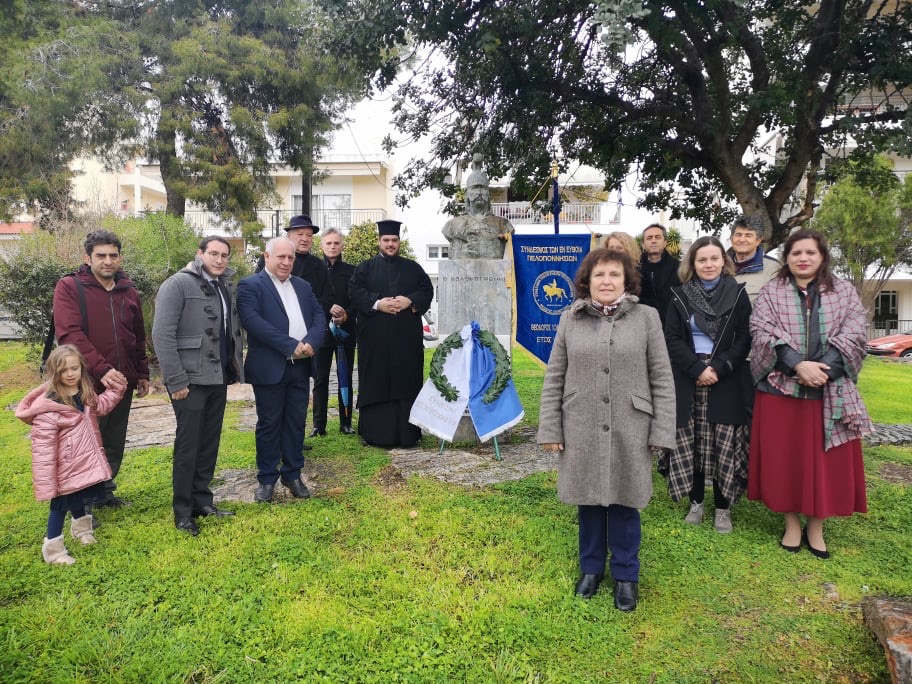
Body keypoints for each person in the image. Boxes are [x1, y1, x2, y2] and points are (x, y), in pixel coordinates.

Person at [538, 249, 675, 610]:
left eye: (614, 274)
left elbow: (661, 376)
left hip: (631, 424)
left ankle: (626, 575)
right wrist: (551, 428)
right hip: (580, 422)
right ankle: (591, 568)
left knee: (625, 501)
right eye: (599, 275)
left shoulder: (647, 318)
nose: (607, 281)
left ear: (627, 281)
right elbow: (555, 376)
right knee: (589, 501)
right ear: (588, 281)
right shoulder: (571, 318)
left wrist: (662, 431)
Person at [748, 229, 872, 558]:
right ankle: (791, 523)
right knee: (784, 459)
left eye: (810, 253)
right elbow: (760, 330)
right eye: (796, 253)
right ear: (786, 258)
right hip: (781, 388)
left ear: (822, 257)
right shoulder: (772, 292)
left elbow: (856, 330)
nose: (803, 258)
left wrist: (823, 368)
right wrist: (795, 364)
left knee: (825, 462)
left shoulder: (843, 291)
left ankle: (816, 528)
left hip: (829, 389)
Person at [152, 236, 244, 536]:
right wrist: (176, 379)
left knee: (209, 442)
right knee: (189, 445)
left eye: (224, 255)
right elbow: (162, 335)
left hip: (217, 376)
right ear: (199, 254)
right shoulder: (176, 285)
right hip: (189, 379)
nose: (219, 260)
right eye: (213, 254)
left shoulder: (222, 285)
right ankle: (182, 511)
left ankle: (203, 501)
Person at [53, 230, 150, 509]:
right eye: (101, 256)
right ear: (88, 257)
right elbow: (70, 334)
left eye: (113, 255)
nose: (108, 261)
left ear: (120, 257)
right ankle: (80, 502)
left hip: (122, 382)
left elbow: (137, 334)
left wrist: (141, 373)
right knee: (81, 442)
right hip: (82, 381)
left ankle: (103, 492)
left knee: (112, 441)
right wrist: (102, 369)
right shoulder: (70, 287)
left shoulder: (128, 290)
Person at [662, 236, 752, 534]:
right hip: (690, 378)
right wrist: (697, 368)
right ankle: (697, 501)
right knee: (695, 443)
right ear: (693, 264)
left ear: (723, 262)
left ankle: (723, 508)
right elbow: (672, 338)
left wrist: (719, 367)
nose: (708, 264)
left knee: (723, 444)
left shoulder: (738, 295)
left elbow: (743, 338)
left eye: (714, 258)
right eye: (702, 259)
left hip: (726, 378)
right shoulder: (680, 295)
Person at [16, 345, 126, 564]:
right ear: (54, 373)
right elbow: (43, 451)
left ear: (81, 368)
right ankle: (54, 550)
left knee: (80, 496)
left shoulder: (84, 393)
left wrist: (117, 388)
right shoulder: (49, 407)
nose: (70, 374)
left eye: (74, 368)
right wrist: (48, 482)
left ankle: (82, 531)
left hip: (82, 463)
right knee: (59, 507)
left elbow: (101, 406)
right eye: (63, 370)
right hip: (63, 469)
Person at [238, 237, 326, 503]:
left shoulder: (303, 286)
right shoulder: (250, 285)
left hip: (300, 367)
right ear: (267, 257)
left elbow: (319, 316)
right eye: (281, 257)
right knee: (269, 423)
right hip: (270, 367)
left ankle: (292, 473)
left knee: (296, 422)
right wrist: (291, 346)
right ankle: (266, 478)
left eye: (290, 258)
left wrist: (310, 342)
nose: (287, 262)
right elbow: (253, 322)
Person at [349, 219, 434, 448]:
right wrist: (377, 304)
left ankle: (408, 433)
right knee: (376, 381)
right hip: (375, 342)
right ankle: (375, 434)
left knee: (406, 381)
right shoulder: (364, 268)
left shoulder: (413, 268)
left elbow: (427, 289)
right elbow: (354, 291)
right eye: (386, 240)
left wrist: (410, 301)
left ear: (399, 241)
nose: (390, 244)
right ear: (379, 241)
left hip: (406, 341)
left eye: (394, 240)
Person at [257, 214, 334, 450]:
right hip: (275, 343)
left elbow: (325, 300)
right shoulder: (268, 263)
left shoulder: (318, 266)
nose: (305, 239)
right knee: (273, 401)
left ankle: (295, 441)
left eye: (309, 236)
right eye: (299, 234)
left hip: (306, 340)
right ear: (288, 236)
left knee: (300, 395)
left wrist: (312, 334)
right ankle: (276, 444)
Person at [311, 227, 357, 436]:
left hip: (345, 332)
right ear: (321, 245)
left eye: (336, 243)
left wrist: (346, 314)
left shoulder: (352, 271)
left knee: (345, 377)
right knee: (320, 379)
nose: (332, 246)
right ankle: (318, 425)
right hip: (320, 332)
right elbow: (309, 300)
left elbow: (358, 300)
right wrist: (327, 308)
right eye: (328, 243)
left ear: (342, 246)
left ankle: (345, 422)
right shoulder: (314, 270)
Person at [442, 154, 514, 259]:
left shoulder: (503, 225)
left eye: (483, 188)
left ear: (488, 194)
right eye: (475, 188)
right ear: (467, 194)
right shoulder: (452, 225)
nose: (479, 192)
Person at [727, 215, 779, 303]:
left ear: (758, 240)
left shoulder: (773, 269)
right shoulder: (720, 266)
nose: (742, 239)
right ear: (732, 238)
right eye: (738, 235)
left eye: (748, 235)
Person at [638, 223, 681, 325]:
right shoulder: (635, 269)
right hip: (641, 325)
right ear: (643, 244)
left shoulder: (680, 269)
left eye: (658, 237)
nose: (653, 241)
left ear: (665, 242)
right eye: (649, 238)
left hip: (671, 326)